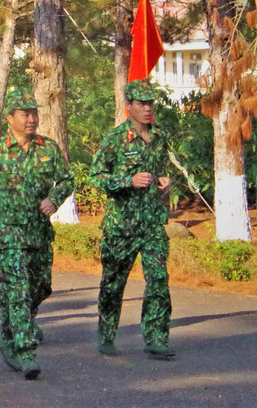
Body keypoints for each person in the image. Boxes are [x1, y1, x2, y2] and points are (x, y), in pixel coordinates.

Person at [0, 89, 72, 380]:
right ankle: (24, 350)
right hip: (7, 234)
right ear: (10, 118)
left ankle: (9, 330)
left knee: (40, 287)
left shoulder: (48, 148)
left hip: (39, 233)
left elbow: (68, 179)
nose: (31, 119)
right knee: (17, 290)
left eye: (34, 113)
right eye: (25, 114)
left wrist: (55, 198)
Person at [91, 78, 174, 360]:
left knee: (158, 279)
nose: (148, 108)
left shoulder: (160, 138)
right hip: (121, 225)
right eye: (141, 103)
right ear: (130, 106)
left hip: (151, 223)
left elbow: (160, 171)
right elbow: (96, 178)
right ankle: (106, 334)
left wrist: (165, 182)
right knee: (114, 283)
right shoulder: (115, 140)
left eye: (151, 102)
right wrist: (128, 180)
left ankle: (155, 338)